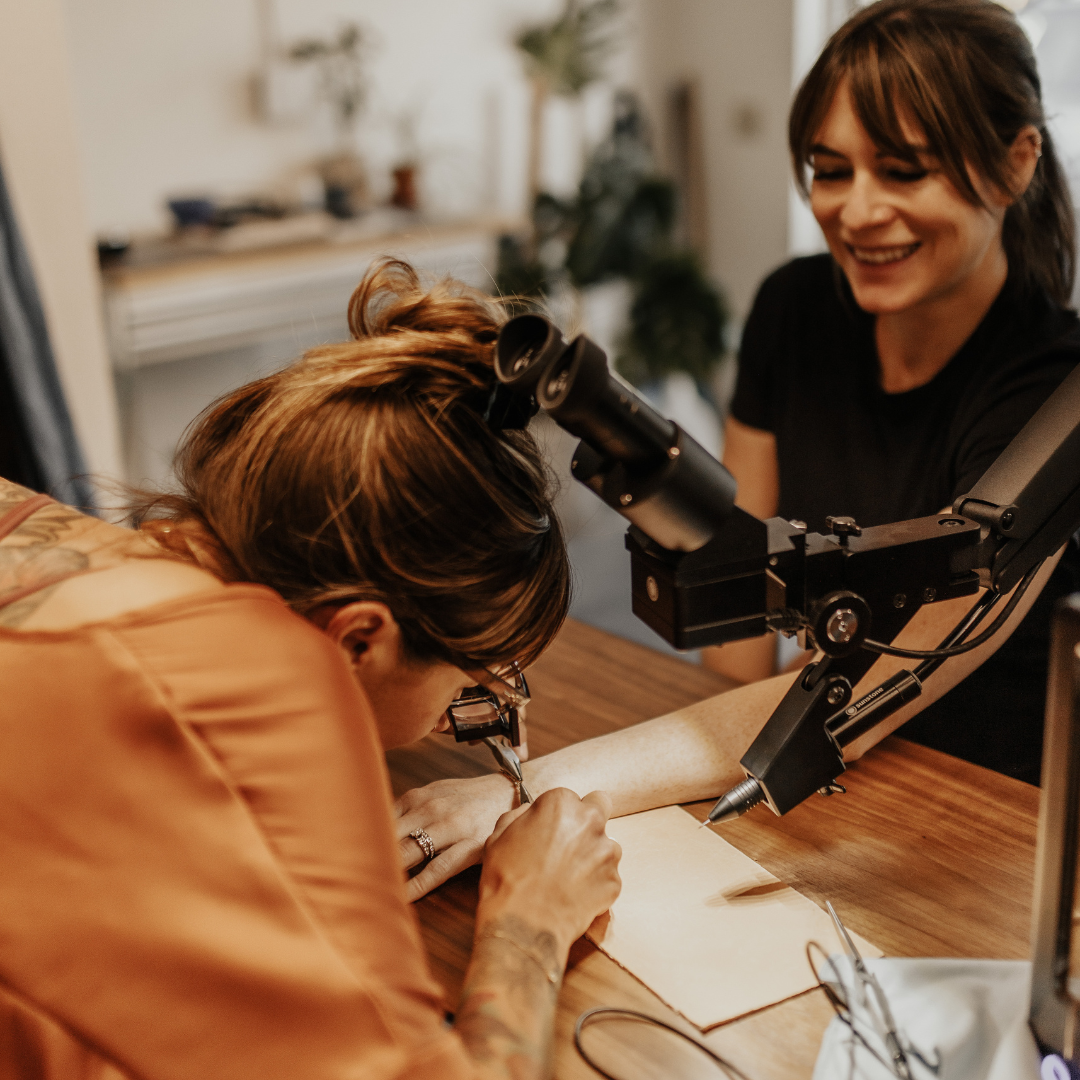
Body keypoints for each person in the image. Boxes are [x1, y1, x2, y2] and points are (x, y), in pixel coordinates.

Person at [397, 0, 1080, 900]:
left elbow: (858, 688)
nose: (858, 211)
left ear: (1015, 162)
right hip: (806, 786)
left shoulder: (1054, 397)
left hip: (981, 825)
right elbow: (739, 620)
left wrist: (522, 791)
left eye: (904, 170)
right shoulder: (795, 309)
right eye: (831, 170)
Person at [0, 259, 621, 1079]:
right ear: (358, 639)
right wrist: (529, 918)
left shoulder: (34, 523)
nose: (465, 716)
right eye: (473, 683)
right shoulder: (247, 708)